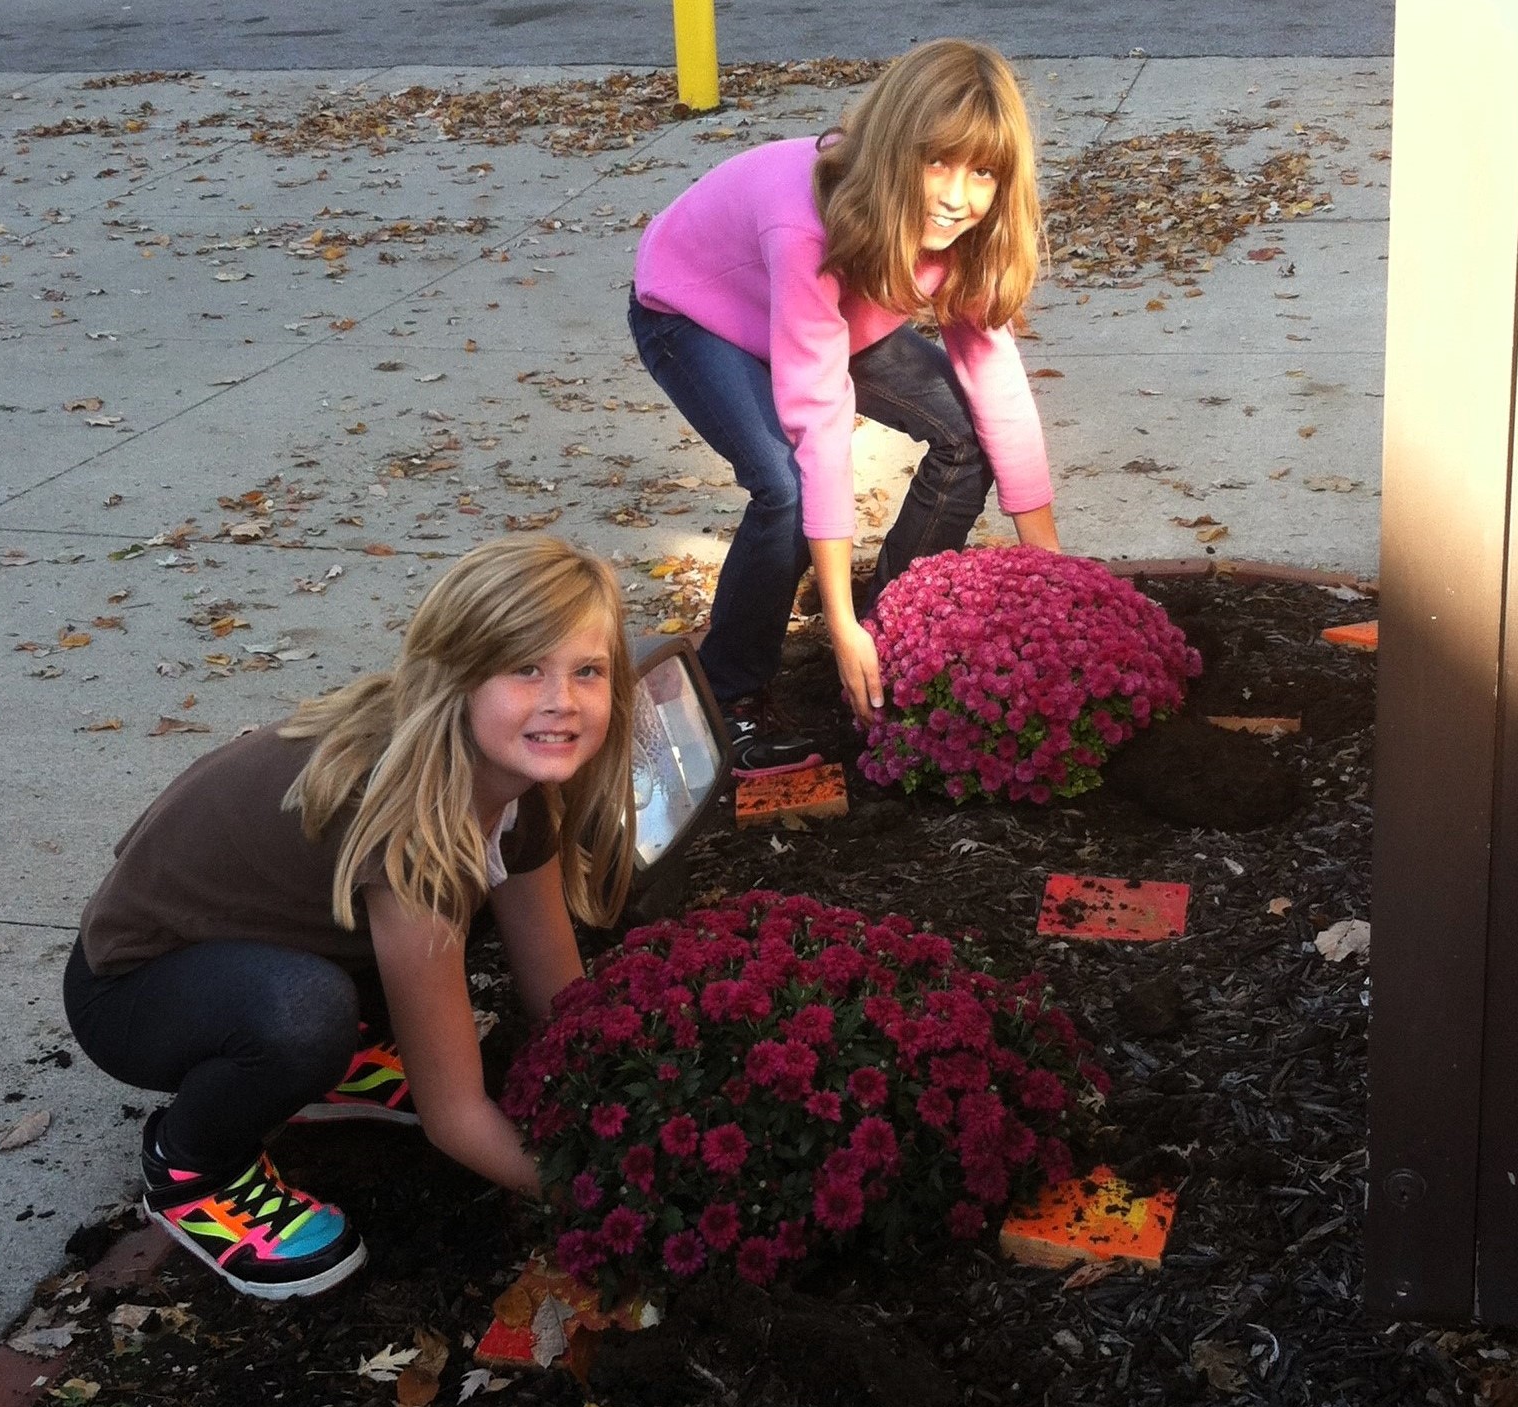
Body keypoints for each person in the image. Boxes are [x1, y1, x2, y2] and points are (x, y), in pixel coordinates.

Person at [63, 535, 636, 1299]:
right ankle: (190, 1166)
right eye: (524, 667)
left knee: (376, 973)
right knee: (306, 1016)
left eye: (587, 671)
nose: (562, 699)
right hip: (135, 988)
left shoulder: (512, 781)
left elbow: (562, 1002)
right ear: (454, 678)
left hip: (261, 942)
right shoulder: (411, 823)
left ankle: (335, 1060)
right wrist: (608, 1208)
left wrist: (632, 1104)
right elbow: (455, 1117)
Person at [629, 37, 1062, 775]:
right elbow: (819, 425)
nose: (957, 196)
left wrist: (1052, 569)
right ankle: (728, 695)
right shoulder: (805, 221)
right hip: (698, 311)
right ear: (894, 150)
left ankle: (890, 633)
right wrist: (832, 619)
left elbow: (996, 385)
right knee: (785, 488)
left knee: (968, 435)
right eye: (936, 162)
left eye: (982, 171)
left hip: (831, 314)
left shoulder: (965, 229)